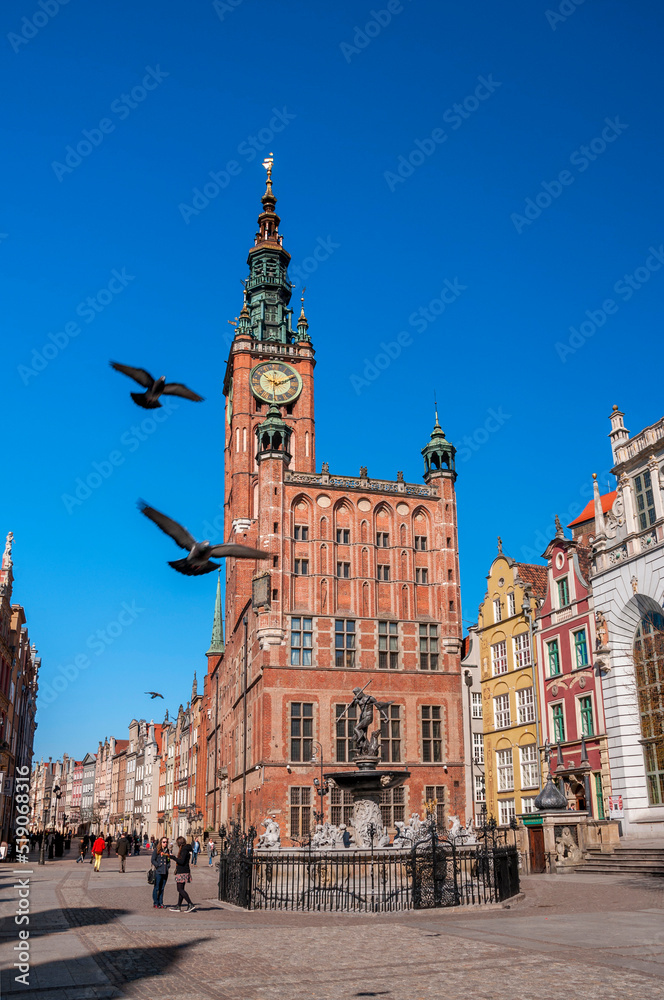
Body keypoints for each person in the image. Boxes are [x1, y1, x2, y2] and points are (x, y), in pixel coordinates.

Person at [168, 836, 197, 912]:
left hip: (182, 871)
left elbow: (181, 861)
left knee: (179, 889)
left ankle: (190, 904)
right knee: (181, 889)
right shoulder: (185, 849)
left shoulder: (184, 850)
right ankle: (178, 906)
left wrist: (173, 858)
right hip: (184, 871)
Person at [151, 836, 170, 908]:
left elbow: (168, 860)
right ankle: (156, 902)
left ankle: (161, 903)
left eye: (166, 842)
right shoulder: (157, 850)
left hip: (165, 871)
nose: (165, 843)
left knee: (162, 888)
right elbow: (153, 860)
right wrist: (158, 865)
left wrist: (168, 865)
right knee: (157, 887)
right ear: (161, 843)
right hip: (158, 871)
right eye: (164, 842)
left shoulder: (167, 851)